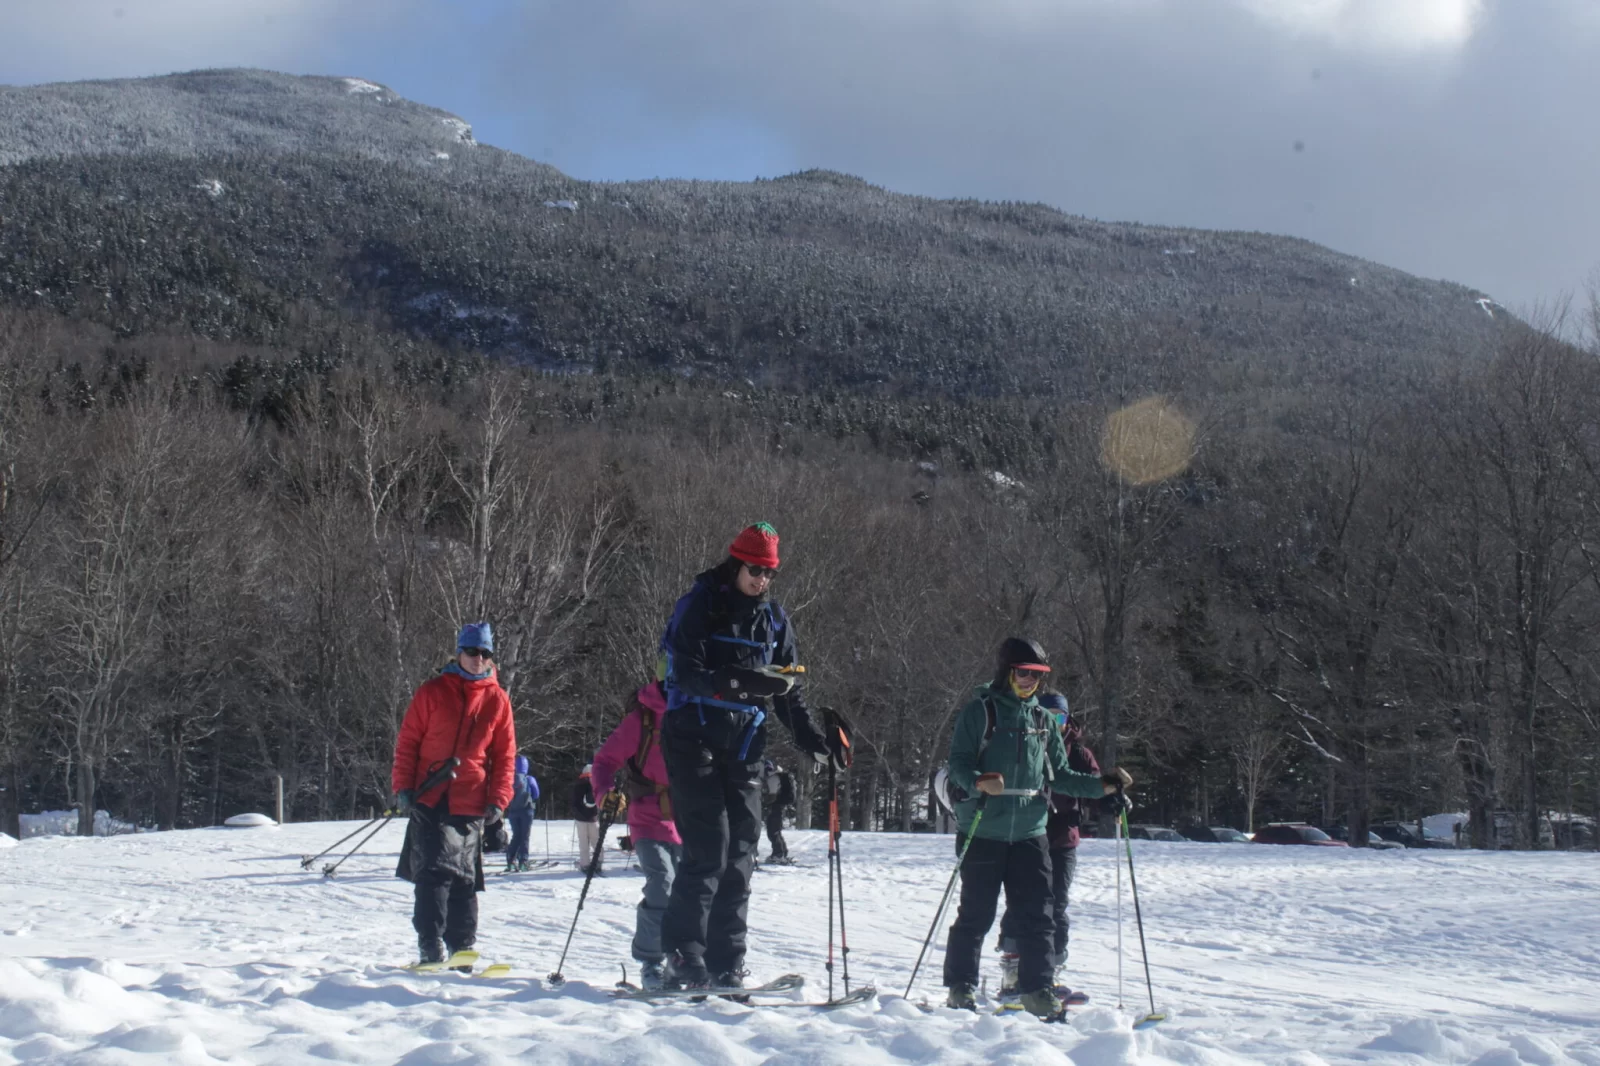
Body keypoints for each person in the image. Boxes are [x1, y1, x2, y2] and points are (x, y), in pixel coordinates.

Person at [657, 522, 846, 991]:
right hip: (692, 736)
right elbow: (685, 673)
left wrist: (813, 742)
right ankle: (683, 957)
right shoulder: (700, 604)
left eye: (769, 573)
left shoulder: (774, 619)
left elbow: (788, 693)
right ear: (735, 563)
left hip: (745, 745)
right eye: (755, 570)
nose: (762, 580)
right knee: (708, 850)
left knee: (742, 854)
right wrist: (742, 681)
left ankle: (727, 962)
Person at [941, 638, 1132, 1018]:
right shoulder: (981, 711)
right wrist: (979, 781)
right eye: (1025, 673)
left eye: (1039, 676)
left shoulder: (1043, 721)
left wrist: (1103, 785)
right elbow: (958, 762)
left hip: (1031, 831)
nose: (1031, 682)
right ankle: (961, 986)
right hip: (984, 829)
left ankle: (1037, 989)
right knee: (976, 913)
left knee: (1038, 914)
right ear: (1007, 671)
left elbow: (1061, 776)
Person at [392, 622, 517, 965]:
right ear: (459, 652)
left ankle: (462, 948)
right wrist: (403, 787)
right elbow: (408, 744)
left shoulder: (497, 699)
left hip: (472, 799)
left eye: (486, 654)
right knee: (432, 873)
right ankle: (429, 944)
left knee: (465, 878)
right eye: (473, 652)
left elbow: (505, 756)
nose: (479, 659)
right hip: (430, 796)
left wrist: (498, 800)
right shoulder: (431, 692)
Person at [994, 690, 1106, 1000]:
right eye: (1048, 716)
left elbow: (1095, 786)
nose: (1055, 723)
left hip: (1061, 839)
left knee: (1056, 905)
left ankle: (1051, 973)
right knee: (1023, 901)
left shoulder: (1079, 754)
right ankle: (1013, 973)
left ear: (1068, 720)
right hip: (1027, 835)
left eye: (1060, 717)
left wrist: (1109, 799)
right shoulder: (1023, 744)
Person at [591, 679, 682, 989]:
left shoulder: (700, 711)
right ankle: (651, 962)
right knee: (663, 882)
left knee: (692, 890)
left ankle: (683, 960)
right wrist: (605, 794)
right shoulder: (642, 719)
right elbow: (604, 761)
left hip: (690, 818)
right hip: (648, 815)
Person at [503, 754, 540, 872]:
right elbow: (536, 794)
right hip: (527, 811)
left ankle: (510, 861)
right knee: (525, 836)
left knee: (516, 836)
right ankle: (523, 861)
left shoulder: (509, 779)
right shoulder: (529, 779)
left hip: (513, 811)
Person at [759, 759, 796, 864]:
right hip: (780, 806)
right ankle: (782, 852)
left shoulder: (772, 778)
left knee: (773, 831)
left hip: (777, 807)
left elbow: (772, 796)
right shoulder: (777, 776)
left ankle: (778, 854)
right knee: (776, 830)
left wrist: (763, 803)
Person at [572, 764, 602, 874]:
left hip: (580, 818)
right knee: (596, 841)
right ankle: (598, 862)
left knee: (583, 842)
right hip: (593, 817)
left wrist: (576, 813)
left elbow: (574, 802)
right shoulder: (596, 784)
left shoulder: (578, 784)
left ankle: (585, 864)